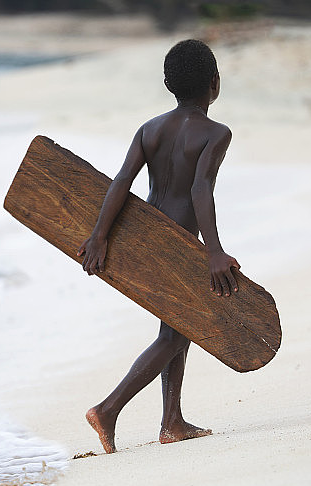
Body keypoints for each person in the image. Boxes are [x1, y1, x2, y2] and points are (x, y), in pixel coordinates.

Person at [77, 39, 239, 454]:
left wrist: (100, 235)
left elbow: (120, 181)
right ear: (214, 84)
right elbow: (201, 188)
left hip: (144, 236)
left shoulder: (149, 129)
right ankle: (108, 409)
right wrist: (214, 251)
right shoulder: (215, 134)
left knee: (178, 327)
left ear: (170, 85)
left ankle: (172, 421)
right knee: (173, 336)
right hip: (177, 244)